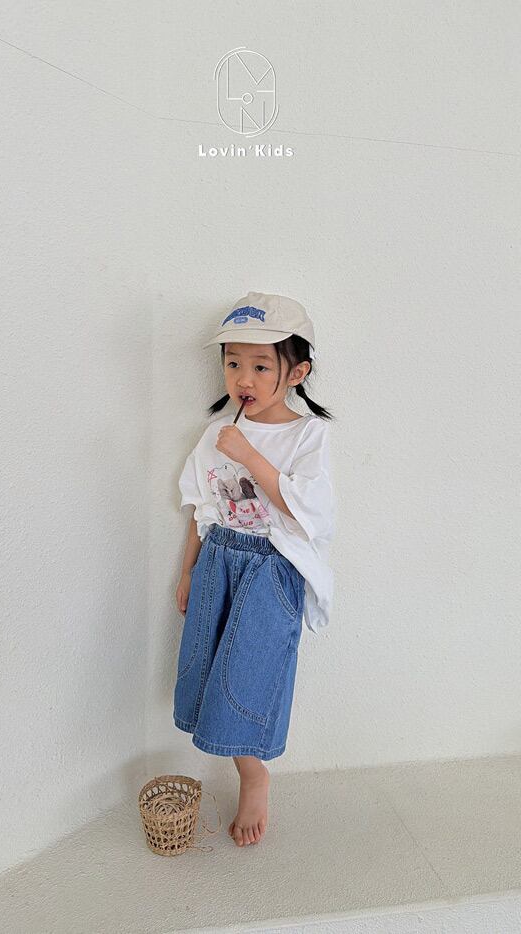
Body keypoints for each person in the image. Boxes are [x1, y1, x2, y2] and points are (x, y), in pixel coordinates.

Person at [173, 291, 336, 847]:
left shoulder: (308, 435)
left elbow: (306, 511)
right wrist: (188, 572)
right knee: (207, 666)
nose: (244, 378)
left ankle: (253, 774)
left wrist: (247, 454)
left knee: (249, 672)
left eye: (262, 366)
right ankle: (243, 765)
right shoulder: (215, 433)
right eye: (234, 363)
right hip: (219, 559)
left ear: (297, 372)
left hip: (270, 570)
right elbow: (202, 508)